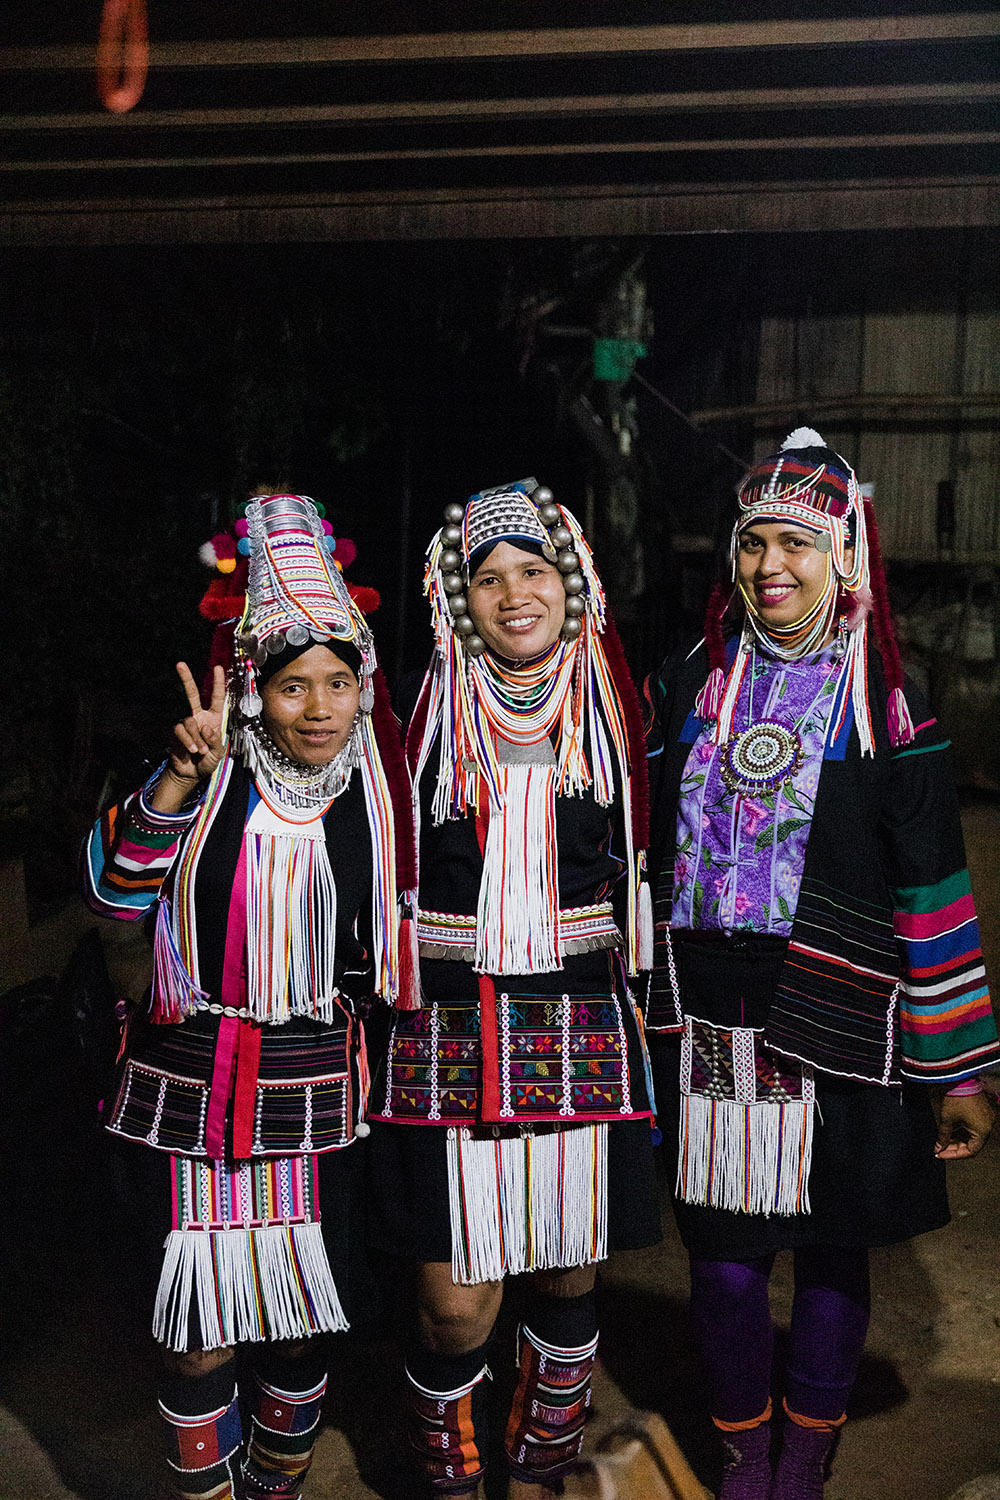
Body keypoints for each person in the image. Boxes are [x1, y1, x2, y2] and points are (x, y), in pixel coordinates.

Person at [644, 430, 999, 1500]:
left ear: (844, 555)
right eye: (753, 544)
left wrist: (956, 1068)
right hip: (715, 1015)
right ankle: (745, 1452)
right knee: (722, 1256)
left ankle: (805, 1457)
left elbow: (931, 885)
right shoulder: (692, 680)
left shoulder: (888, 696)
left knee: (833, 1245)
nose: (769, 569)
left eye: (796, 544)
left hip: (843, 1009)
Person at [83, 492, 414, 1500]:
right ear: (251, 691)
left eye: (338, 682)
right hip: (188, 1089)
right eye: (292, 687)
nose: (319, 708)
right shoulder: (202, 781)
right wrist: (177, 783)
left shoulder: (373, 800)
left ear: (364, 687)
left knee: (301, 1328)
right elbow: (109, 894)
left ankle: (275, 1484)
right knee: (194, 1340)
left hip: (312, 1092)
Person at [367, 479, 661, 1499]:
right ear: (457, 598)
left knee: (568, 1274)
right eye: (485, 577)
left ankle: (538, 1476)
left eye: (531, 569)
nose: (511, 593)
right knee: (454, 1305)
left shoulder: (625, 711)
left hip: (580, 1028)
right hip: (450, 1035)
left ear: (568, 581)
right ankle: (451, 1482)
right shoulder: (409, 712)